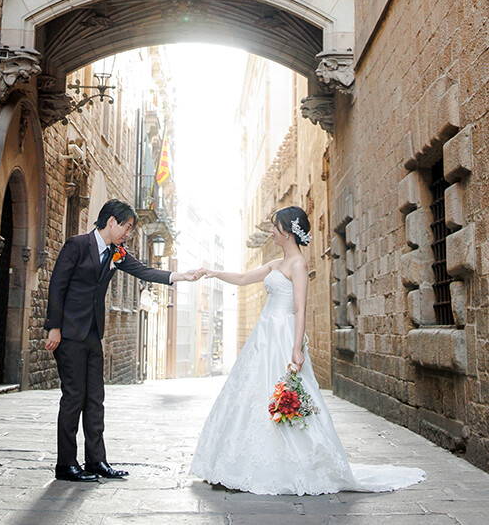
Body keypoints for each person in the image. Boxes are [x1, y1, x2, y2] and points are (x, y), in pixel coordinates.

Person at [190, 205, 425, 496]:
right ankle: (235, 465)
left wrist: (297, 348)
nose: (272, 231)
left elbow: (300, 308)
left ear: (288, 231)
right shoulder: (276, 264)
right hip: (265, 334)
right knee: (250, 393)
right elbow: (242, 278)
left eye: (276, 226)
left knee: (283, 393)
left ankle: (290, 465)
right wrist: (212, 272)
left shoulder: (298, 265)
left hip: (283, 335)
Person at [45, 198, 203, 482]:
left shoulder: (116, 253)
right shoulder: (77, 245)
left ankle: (96, 461)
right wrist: (53, 327)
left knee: (95, 399)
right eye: (127, 227)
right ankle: (66, 465)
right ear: (111, 221)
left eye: (131, 228)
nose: (128, 233)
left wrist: (181, 276)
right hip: (69, 333)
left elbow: (144, 271)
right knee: (74, 398)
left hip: (93, 334)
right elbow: (57, 285)